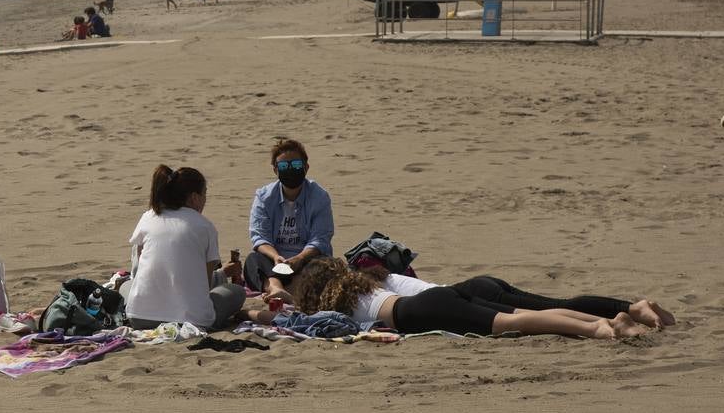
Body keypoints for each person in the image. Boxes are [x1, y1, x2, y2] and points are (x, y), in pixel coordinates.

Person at [252, 257, 652, 340]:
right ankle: (605, 319)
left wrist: (277, 295)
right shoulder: (362, 281)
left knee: (516, 323)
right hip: (439, 295)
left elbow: (300, 320)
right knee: (526, 311)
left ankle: (600, 328)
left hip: (416, 313)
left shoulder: (331, 303)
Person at [122, 165, 247, 331]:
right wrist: (223, 274)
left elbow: (138, 272)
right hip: (191, 321)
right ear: (194, 198)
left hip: (140, 318)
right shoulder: (204, 226)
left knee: (126, 286)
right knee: (237, 292)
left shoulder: (148, 216)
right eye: (204, 194)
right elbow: (205, 283)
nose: (205, 200)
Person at [244, 139, 333, 297]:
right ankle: (276, 288)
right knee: (253, 260)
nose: (290, 170)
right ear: (275, 170)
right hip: (275, 262)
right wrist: (276, 257)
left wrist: (299, 258)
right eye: (284, 166)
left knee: (326, 265)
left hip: (307, 260)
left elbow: (320, 238)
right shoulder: (264, 197)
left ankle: (290, 289)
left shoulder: (319, 196)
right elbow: (259, 237)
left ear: (306, 167)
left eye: (296, 165)